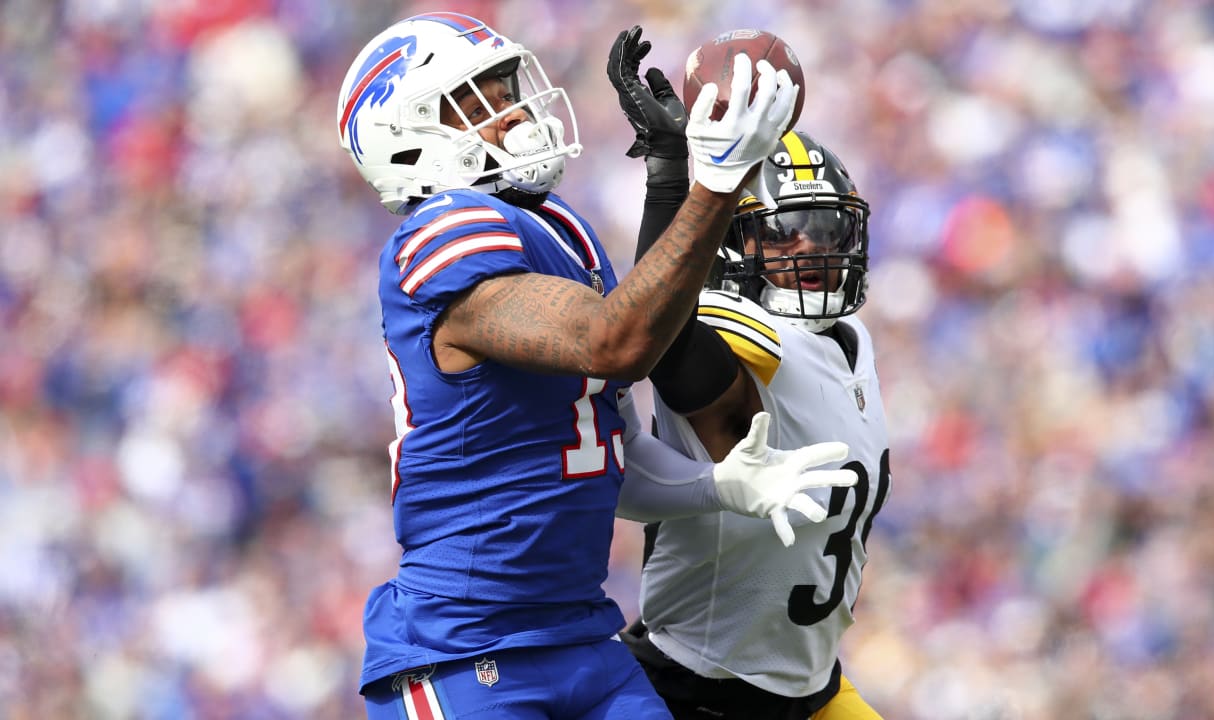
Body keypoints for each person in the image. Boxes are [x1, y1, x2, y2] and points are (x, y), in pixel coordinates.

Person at [336, 13, 859, 720]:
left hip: (582, 636)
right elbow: (615, 343)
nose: (513, 110)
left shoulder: (561, 228)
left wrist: (717, 487)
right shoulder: (441, 229)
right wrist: (717, 179)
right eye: (480, 100)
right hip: (464, 646)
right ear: (405, 139)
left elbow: (610, 453)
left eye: (507, 88)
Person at [607, 27, 892, 720]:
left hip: (814, 684)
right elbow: (664, 343)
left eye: (827, 231)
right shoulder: (749, 331)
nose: (810, 248)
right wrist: (675, 176)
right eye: (785, 230)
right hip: (701, 689)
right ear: (734, 239)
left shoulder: (850, 338)